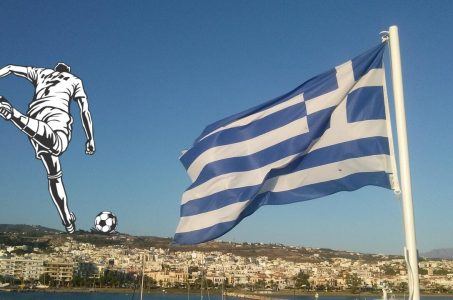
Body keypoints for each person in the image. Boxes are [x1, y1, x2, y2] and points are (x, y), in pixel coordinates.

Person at [0, 63, 95, 233]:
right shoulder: (74, 80)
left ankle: (67, 219)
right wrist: (90, 138)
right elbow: (84, 110)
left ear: (56, 69)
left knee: (54, 174)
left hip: (35, 118)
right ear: (67, 70)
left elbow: (10, 68)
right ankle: (14, 114)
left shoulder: (41, 72)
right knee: (57, 145)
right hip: (56, 116)